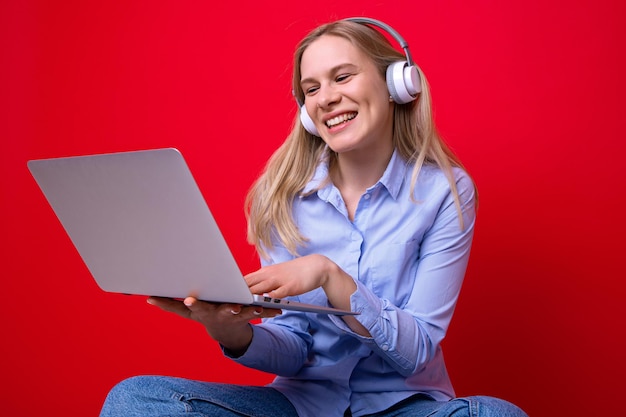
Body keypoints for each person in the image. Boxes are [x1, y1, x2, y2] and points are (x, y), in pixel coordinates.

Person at [99, 17, 528, 417]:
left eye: (342, 77)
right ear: (305, 110)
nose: (326, 98)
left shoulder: (443, 192)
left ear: (397, 82)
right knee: (134, 398)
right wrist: (231, 331)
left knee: (494, 414)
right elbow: (295, 347)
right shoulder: (283, 196)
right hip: (299, 405)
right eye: (311, 88)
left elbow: (416, 351)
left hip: (405, 404)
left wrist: (330, 276)